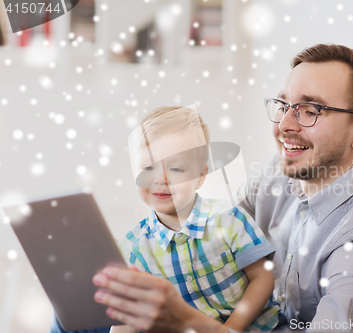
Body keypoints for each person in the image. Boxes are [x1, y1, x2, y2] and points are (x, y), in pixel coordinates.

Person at [91, 44, 353, 332]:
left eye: (310, 110)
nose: (284, 126)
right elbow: (217, 233)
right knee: (81, 316)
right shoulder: (282, 172)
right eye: (283, 106)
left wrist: (184, 321)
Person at [51, 106, 280, 333]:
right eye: (148, 168)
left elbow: (262, 278)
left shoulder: (229, 219)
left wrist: (231, 329)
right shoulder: (134, 246)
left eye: (176, 168)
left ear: (200, 176)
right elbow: (128, 317)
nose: (160, 179)